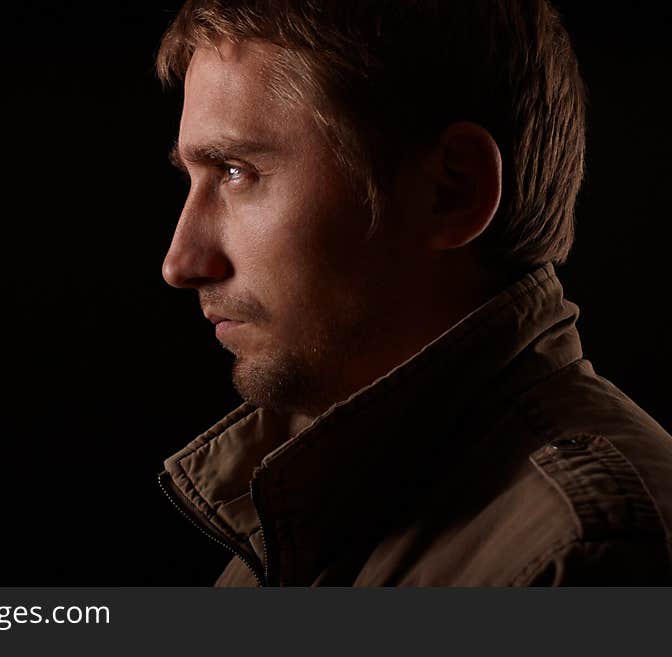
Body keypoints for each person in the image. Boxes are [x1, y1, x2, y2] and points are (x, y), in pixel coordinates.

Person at [154, 0, 672, 586]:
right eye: (194, 177)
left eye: (235, 171)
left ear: (451, 192)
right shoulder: (304, 516)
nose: (181, 262)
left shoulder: (586, 557)